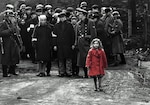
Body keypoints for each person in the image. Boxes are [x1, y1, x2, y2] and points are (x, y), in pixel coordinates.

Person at [75, 8, 97, 78]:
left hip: (87, 44)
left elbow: (93, 34)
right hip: (81, 44)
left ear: (84, 15)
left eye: (80, 14)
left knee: (89, 59)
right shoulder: (78, 23)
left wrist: (92, 44)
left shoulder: (90, 22)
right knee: (82, 60)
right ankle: (85, 73)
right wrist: (76, 43)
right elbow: (76, 35)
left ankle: (92, 72)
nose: (78, 16)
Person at [53, 12, 75, 77]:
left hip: (68, 44)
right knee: (60, 59)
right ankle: (61, 72)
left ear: (65, 17)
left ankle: (69, 72)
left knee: (68, 58)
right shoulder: (56, 25)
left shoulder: (69, 25)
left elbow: (72, 35)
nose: (62, 18)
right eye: (60, 17)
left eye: (63, 17)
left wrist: (73, 44)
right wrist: (54, 45)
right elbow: (54, 36)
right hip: (59, 44)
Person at [0, 10, 20, 77]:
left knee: (14, 56)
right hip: (6, 43)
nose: (11, 18)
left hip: (13, 42)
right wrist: (10, 30)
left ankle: (12, 70)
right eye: (10, 16)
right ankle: (5, 73)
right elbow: (1, 33)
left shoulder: (12, 23)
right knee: (6, 58)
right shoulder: (3, 24)